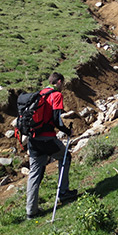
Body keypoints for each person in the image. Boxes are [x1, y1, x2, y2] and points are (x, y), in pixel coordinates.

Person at [26, 72, 77, 220]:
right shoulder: (56, 95)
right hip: (46, 138)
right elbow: (56, 119)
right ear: (59, 82)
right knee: (65, 156)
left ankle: (31, 211)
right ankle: (63, 192)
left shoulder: (40, 94)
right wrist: (67, 131)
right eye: (63, 84)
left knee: (34, 173)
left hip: (32, 139)